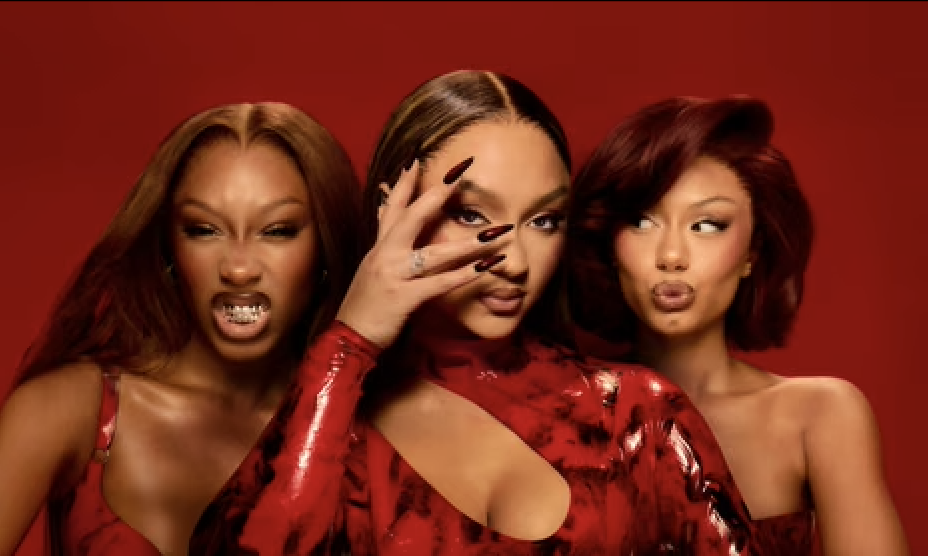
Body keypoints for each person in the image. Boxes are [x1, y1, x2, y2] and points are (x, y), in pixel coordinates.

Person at [194, 71, 759, 555]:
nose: (514, 261)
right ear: (395, 209)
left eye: (543, 221)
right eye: (470, 215)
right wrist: (353, 338)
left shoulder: (638, 418)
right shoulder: (330, 428)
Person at [0, 101, 506, 555]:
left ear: (324, 252)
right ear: (169, 251)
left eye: (278, 231)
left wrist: (348, 348)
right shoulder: (72, 411)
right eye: (204, 230)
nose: (239, 269)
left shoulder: (372, 433)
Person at [567, 95, 910, 555]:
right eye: (642, 221)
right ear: (610, 241)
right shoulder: (562, 413)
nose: (671, 256)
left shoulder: (818, 416)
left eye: (708, 225)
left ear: (753, 252)